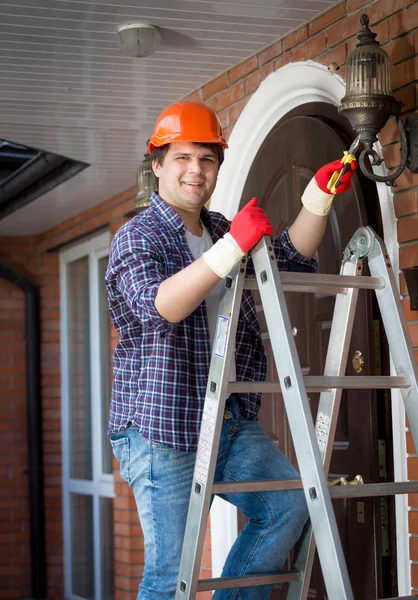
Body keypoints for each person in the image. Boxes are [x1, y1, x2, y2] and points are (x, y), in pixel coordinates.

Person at [105, 101, 357, 600]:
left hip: (225, 420)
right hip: (160, 428)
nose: (195, 170)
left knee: (289, 504)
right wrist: (229, 251)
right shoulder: (137, 236)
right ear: (157, 164)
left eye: (207, 159)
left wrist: (316, 201)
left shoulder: (220, 229)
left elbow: (286, 261)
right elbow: (160, 307)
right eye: (182, 158)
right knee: (168, 575)